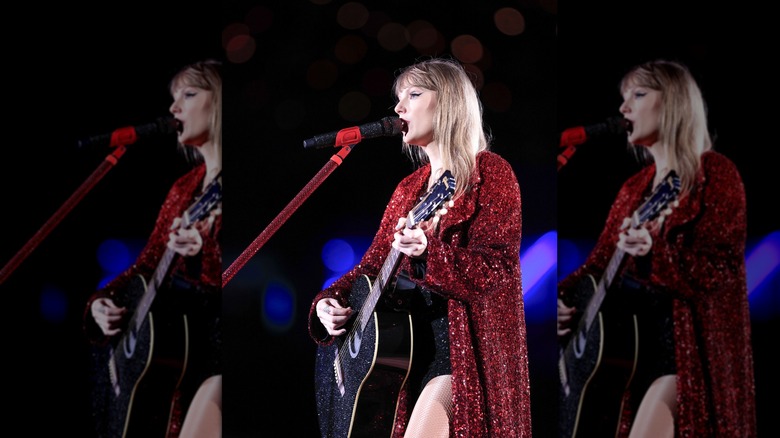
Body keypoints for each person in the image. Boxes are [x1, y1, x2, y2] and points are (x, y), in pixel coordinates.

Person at [308, 58, 531, 437]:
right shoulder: (409, 189)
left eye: (413, 94)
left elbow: (500, 270)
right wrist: (327, 302)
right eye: (398, 98)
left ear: (447, 102)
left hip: (462, 357)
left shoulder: (490, 172)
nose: (398, 108)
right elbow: (371, 267)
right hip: (407, 361)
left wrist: (431, 252)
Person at [557, 60, 756, 437]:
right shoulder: (635, 187)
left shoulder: (714, 173)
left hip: (685, 355)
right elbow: (597, 265)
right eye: (623, 98)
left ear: (674, 103)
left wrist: (655, 253)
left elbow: (721, 269)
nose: (623, 108)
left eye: (639, 94)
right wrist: (563, 299)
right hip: (628, 364)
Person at [83, 60, 223, 438]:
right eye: (173, 98)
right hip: (170, 355)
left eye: (189, 94)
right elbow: (146, 265)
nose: (175, 108)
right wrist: (101, 300)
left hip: (212, 352)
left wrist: (207, 249)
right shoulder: (184, 187)